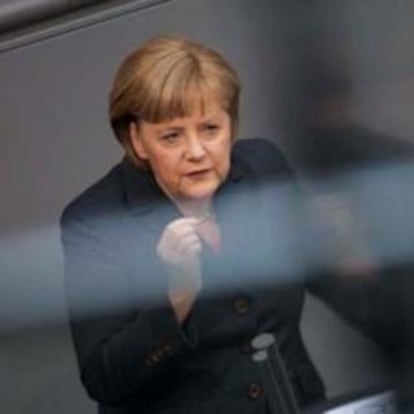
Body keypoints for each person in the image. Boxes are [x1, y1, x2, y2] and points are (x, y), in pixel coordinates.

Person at [60, 34, 394, 414]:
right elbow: (104, 379)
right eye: (171, 136)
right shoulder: (95, 220)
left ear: (231, 126)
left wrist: (352, 261)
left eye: (210, 129)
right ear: (137, 139)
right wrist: (177, 298)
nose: (197, 151)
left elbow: (333, 280)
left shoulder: (263, 166)